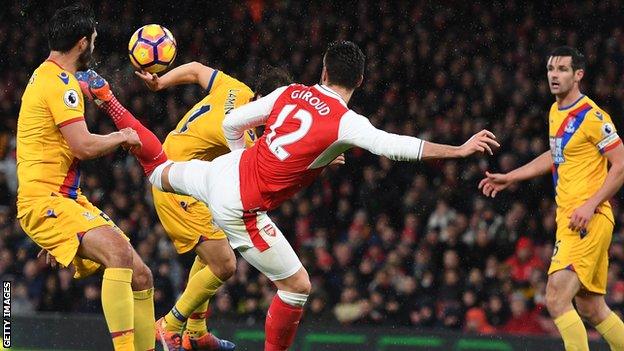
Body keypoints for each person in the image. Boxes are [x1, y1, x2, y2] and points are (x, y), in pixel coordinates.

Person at [81, 40, 499, 351]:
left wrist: (248, 159)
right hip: (240, 205)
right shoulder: (346, 123)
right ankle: (177, 326)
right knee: (296, 287)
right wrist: (458, 149)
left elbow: (233, 123)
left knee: (157, 171)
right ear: (360, 81)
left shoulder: (291, 91)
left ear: (322, 70)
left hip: (219, 172)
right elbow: (396, 145)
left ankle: (109, 100)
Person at [16, 4, 154, 351]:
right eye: (92, 39)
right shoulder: (60, 84)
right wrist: (122, 136)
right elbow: (82, 146)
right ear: (81, 43)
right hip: (46, 201)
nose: (94, 45)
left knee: (142, 276)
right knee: (118, 254)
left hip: (65, 200)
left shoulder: (49, 77)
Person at [131, 62, 293, 351]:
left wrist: (160, 83)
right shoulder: (245, 132)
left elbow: (194, 69)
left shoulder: (235, 88)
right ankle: (170, 324)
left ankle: (196, 332)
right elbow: (261, 171)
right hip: (176, 184)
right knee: (225, 264)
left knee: (212, 253)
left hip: (183, 174)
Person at [479, 46, 624, 350]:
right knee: (591, 308)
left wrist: (590, 204)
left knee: (556, 297)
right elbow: (557, 155)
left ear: (578, 75)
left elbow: (621, 164)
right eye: (550, 69)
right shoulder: (556, 111)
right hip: (570, 217)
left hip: (587, 218)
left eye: (562, 70)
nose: (554, 76)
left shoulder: (593, 116)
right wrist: (512, 176)